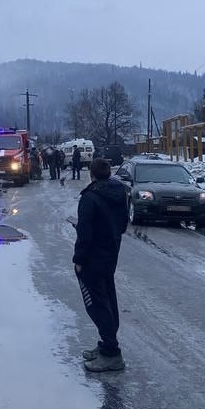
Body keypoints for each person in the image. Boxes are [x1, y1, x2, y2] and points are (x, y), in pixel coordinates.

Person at [73, 158, 129, 372]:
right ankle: (106, 345)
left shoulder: (90, 197)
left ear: (91, 173)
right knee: (108, 298)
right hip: (110, 253)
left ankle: (112, 353)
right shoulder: (119, 192)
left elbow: (85, 233)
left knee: (97, 304)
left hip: (92, 258)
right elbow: (123, 225)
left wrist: (79, 259)